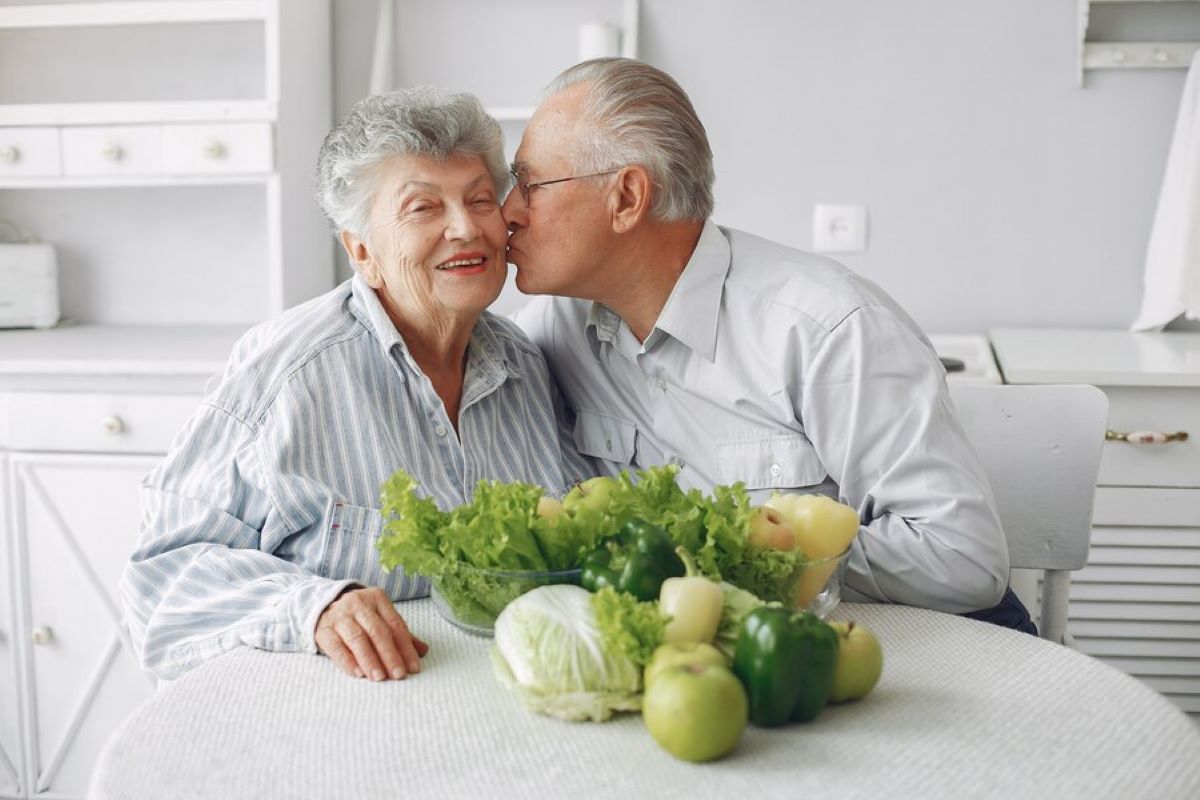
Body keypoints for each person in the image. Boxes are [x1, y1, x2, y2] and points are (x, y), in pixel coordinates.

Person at [507, 58, 1033, 632]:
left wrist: (742, 552)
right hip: (730, 658)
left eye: (529, 185)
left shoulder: (829, 328)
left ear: (628, 197)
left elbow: (964, 559)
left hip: (921, 642)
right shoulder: (552, 328)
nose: (509, 211)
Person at [121, 87, 593, 683]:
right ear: (362, 249)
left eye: (480, 199)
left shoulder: (525, 366)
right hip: (333, 725)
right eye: (423, 208)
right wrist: (313, 606)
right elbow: (160, 579)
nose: (465, 228)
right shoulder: (287, 374)